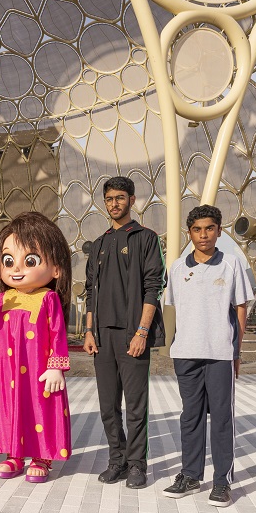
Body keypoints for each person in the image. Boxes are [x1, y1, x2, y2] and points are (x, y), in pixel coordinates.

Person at [0, 212, 72, 483]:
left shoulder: (48, 298)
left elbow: (58, 335)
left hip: (39, 369)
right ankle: (14, 453)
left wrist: (56, 368)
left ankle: (42, 456)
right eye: (8, 260)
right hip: (6, 370)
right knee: (8, 407)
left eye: (30, 261)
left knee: (40, 406)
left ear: (56, 269)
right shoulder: (4, 297)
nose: (16, 269)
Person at [162, 205, 252, 506]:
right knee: (190, 416)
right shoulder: (176, 268)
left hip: (219, 353)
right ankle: (190, 475)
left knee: (222, 418)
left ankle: (222, 481)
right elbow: (175, 308)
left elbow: (241, 307)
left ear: (219, 230)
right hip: (185, 353)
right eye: (197, 230)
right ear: (189, 233)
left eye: (209, 228)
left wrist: (236, 350)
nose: (203, 235)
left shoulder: (232, 264)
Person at [83, 176, 165, 489]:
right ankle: (116, 460)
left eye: (120, 198)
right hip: (101, 337)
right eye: (109, 199)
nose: (114, 204)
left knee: (135, 406)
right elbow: (90, 291)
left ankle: (136, 465)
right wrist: (89, 331)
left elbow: (152, 286)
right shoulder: (100, 243)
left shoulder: (146, 237)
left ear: (132, 200)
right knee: (107, 407)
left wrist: (142, 332)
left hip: (132, 334)